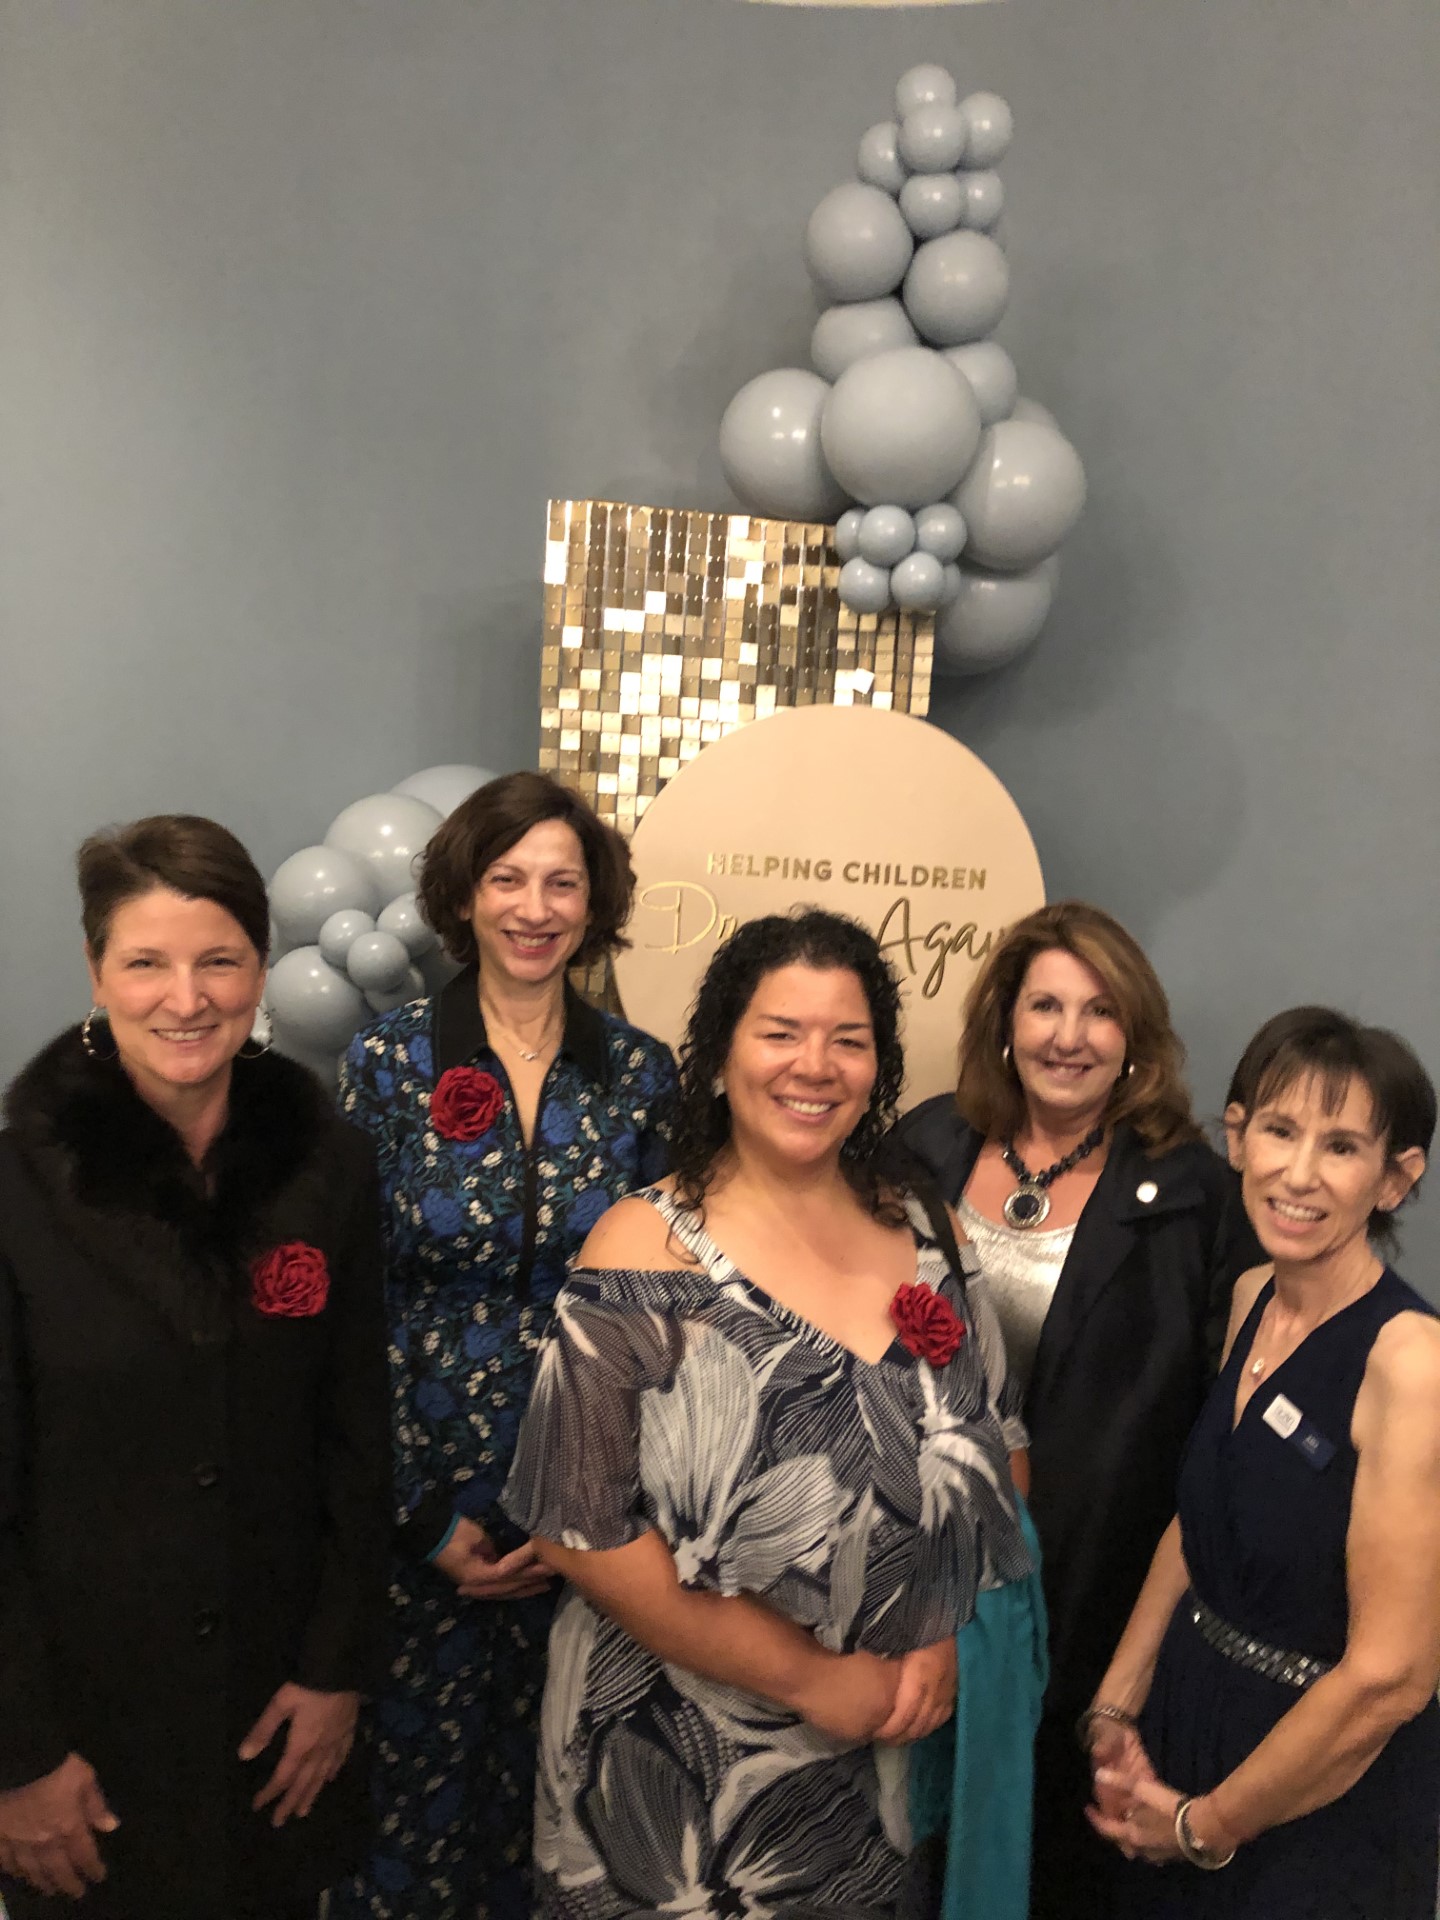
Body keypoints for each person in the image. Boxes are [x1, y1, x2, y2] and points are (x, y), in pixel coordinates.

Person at [502, 909, 1038, 1920]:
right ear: (718, 1058)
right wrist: (807, 1677)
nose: (816, 1065)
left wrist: (936, 1637)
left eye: (849, 1039)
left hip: (874, 1766)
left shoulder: (920, 1229)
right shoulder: (642, 1249)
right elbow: (575, 1527)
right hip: (666, 1778)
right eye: (781, 1032)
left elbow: (994, 1444)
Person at [0, 816, 389, 1920]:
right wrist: (18, 1758)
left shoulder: (332, 1166)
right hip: (83, 1747)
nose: (188, 997)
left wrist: (335, 1673)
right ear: (94, 972)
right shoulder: (15, 1186)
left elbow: (358, 1436)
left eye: (219, 959)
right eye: (147, 963)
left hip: (278, 1724)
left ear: (260, 968)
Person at [333, 771, 676, 1920]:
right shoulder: (389, 1069)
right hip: (422, 1528)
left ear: (595, 903)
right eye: (507, 878)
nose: (535, 907)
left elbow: (662, 1316)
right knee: (412, 1842)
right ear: (463, 897)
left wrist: (594, 1515)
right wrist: (422, 1516)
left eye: (562, 882)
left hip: (590, 1529)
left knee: (570, 1830)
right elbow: (351, 1312)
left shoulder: (639, 1076)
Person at [893, 901, 1259, 1916]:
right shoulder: (923, 1144)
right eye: (1045, 1005)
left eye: (1099, 1011)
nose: (1068, 1035)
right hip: (910, 1582)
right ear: (1004, 1022)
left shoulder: (1196, 1195)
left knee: (1044, 1867)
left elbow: (1217, 1426)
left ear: (1134, 1035)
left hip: (1092, 1593)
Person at [1086, 1007, 1440, 1916]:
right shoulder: (1250, 1295)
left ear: (1396, 1179)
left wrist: (1207, 1826)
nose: (1299, 1173)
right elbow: (1205, 1517)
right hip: (1187, 1725)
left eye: (1343, 1146)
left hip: (1320, 1787)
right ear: (1237, 1138)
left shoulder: (1413, 1366)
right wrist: (1119, 1705)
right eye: (1280, 1131)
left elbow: (1391, 1679)